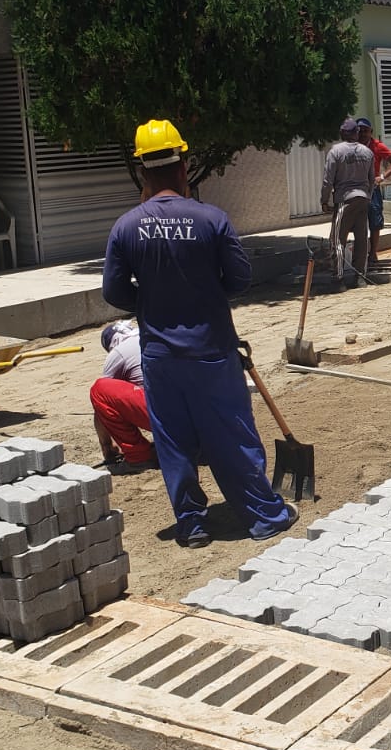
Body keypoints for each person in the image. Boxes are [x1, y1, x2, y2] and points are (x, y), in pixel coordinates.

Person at [101, 118, 296, 549]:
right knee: (232, 434)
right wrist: (204, 300)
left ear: (142, 171)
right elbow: (240, 278)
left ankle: (191, 526)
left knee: (173, 442)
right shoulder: (211, 219)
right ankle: (264, 517)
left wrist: (154, 306)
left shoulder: (126, 227)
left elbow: (114, 291)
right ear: (184, 164)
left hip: (160, 357)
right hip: (211, 351)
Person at [89, 320, 155, 469]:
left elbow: (101, 404)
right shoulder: (153, 335)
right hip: (197, 415)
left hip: (165, 417)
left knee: (99, 390)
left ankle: (139, 455)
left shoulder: (117, 353)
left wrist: (106, 445)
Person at [321, 119, 374, 288]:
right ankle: (360, 277)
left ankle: (338, 279)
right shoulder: (367, 152)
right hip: (363, 199)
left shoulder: (336, 151)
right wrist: (368, 196)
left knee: (337, 240)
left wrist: (324, 200)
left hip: (345, 199)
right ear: (356, 133)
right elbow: (371, 180)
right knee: (361, 239)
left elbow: (328, 180)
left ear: (342, 133)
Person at [353, 118, 391, 269]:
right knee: (357, 222)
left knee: (375, 221)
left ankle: (373, 253)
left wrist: (381, 177)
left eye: (365, 131)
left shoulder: (377, 146)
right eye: (360, 131)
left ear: (371, 132)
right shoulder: (351, 146)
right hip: (355, 189)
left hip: (372, 189)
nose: (362, 134)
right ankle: (358, 254)